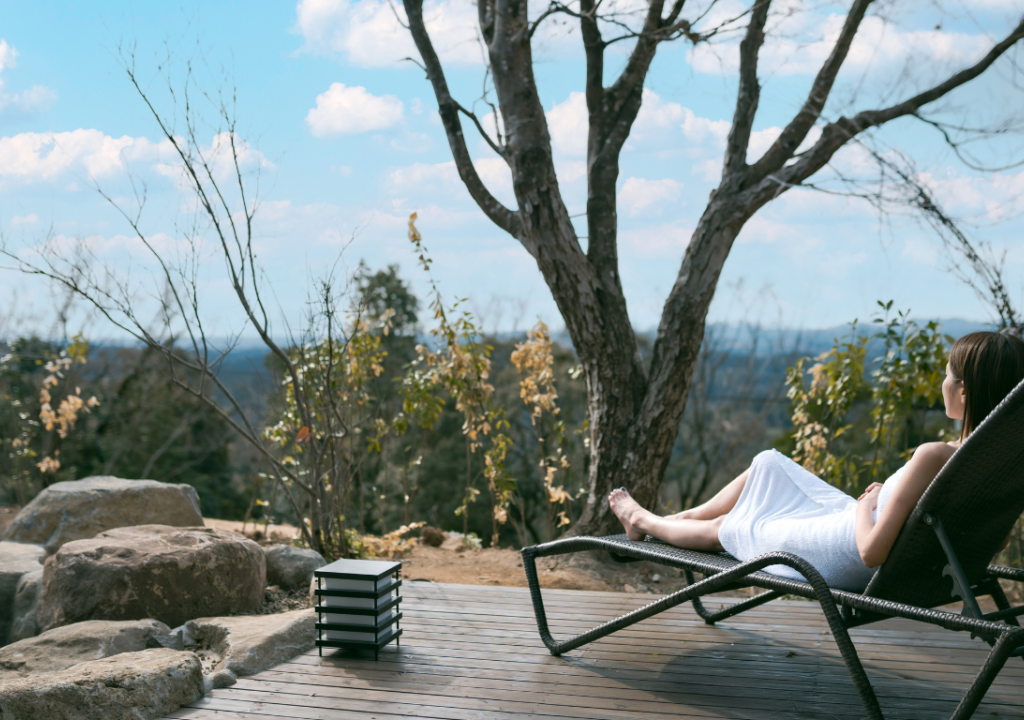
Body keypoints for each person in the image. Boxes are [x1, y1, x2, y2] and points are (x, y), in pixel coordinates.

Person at [609, 331, 1024, 591]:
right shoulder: (996, 464)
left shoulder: (935, 455)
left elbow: (871, 552)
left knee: (730, 528)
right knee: (769, 464)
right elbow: (993, 539)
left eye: (949, 375)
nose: (942, 383)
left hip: (841, 552)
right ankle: (681, 519)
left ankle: (644, 521)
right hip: (857, 530)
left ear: (965, 391)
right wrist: (886, 501)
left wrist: (867, 504)